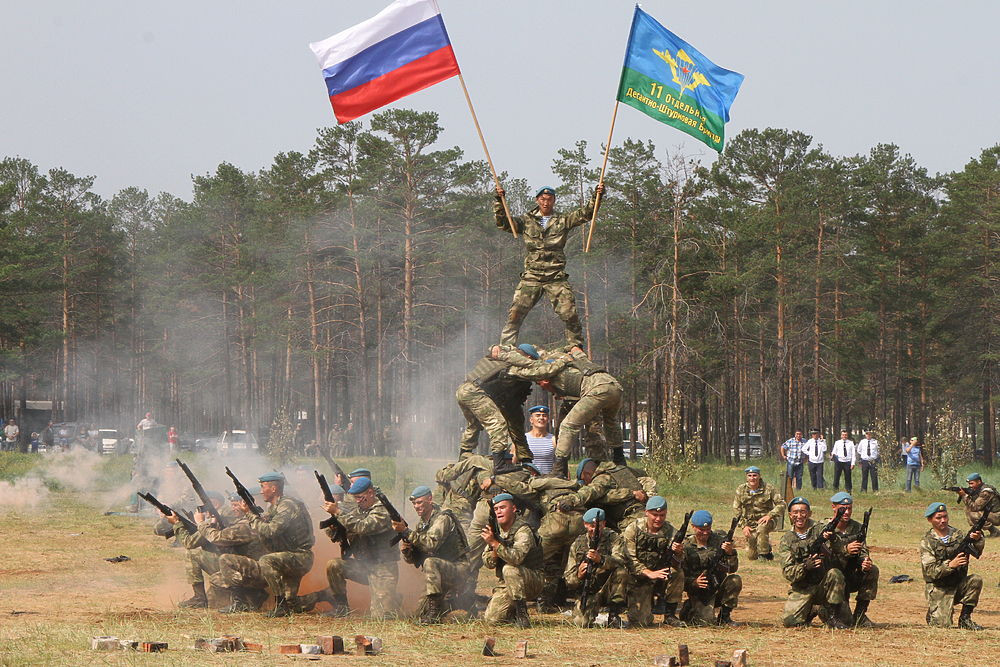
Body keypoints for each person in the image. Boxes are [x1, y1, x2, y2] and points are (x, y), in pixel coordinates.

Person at [493, 183, 604, 347]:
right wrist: (499, 200)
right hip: (532, 276)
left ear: (554, 201)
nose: (546, 203)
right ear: (537, 200)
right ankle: (506, 348)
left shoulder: (563, 220)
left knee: (570, 313)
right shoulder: (526, 220)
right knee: (515, 313)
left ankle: (575, 347)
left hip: (555, 276)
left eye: (549, 199)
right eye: (543, 199)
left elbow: (587, 213)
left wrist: (597, 195)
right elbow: (503, 223)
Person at [455, 343, 570, 471]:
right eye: (532, 360)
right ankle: (499, 464)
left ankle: (464, 455)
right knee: (498, 424)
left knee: (476, 425)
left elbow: (515, 423)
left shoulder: (505, 355)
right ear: (527, 357)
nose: (531, 363)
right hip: (475, 393)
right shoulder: (514, 366)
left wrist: (566, 348)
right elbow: (541, 372)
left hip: (466, 390)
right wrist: (563, 361)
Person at [216, 472, 315, 616]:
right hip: (287, 557)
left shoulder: (287, 505)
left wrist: (250, 515)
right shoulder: (275, 507)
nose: (261, 491)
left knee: (266, 560)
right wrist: (251, 514)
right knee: (293, 604)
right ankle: (324, 595)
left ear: (273, 489)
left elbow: (270, 531)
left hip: (299, 556)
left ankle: (281, 606)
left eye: (263, 487)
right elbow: (264, 524)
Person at [535, 346, 624, 478]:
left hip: (597, 390)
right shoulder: (581, 360)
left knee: (567, 426)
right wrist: (569, 347)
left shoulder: (554, 371)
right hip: (615, 386)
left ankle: (559, 470)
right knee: (611, 421)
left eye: (540, 383)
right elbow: (576, 348)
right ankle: (620, 460)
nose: (543, 387)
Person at [317, 476, 399, 619]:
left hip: (383, 568)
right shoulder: (359, 510)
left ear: (371, 493)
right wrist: (334, 526)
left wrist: (338, 513)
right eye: (355, 498)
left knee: (380, 617)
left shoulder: (382, 510)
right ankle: (341, 607)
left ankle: (394, 599)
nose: (358, 501)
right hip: (365, 566)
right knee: (334, 565)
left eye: (360, 497)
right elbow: (335, 535)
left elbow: (363, 527)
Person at [392, 485, 474, 624]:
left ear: (430, 499)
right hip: (439, 572)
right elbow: (416, 558)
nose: (416, 506)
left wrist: (406, 531)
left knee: (430, 562)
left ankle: (434, 613)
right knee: (418, 614)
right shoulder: (422, 524)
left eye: (419, 502)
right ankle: (456, 604)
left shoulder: (443, 518)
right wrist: (407, 552)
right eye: (414, 503)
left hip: (458, 568)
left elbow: (430, 544)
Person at [778, 496, 848, 628]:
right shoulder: (786, 539)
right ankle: (812, 609)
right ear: (790, 515)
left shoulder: (821, 529)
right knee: (790, 622)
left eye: (803, 512)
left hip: (824, 585)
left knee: (846, 620)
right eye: (795, 512)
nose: (799, 516)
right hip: (803, 588)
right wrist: (805, 567)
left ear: (809, 513)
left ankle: (832, 615)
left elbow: (842, 550)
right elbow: (788, 572)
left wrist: (833, 539)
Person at [481, 493, 545, 628]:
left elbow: (516, 558)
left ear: (514, 509)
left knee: (509, 569)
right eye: (496, 509)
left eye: (503, 507)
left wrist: (495, 543)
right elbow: (488, 563)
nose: (499, 512)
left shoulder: (523, 530)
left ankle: (522, 614)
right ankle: (512, 613)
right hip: (509, 582)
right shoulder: (496, 531)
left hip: (532, 580)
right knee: (491, 619)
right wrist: (494, 547)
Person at [621, 495, 686, 627]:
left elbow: (679, 562)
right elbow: (629, 559)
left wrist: (679, 553)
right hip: (638, 578)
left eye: (662, 515)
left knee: (677, 572)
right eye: (654, 515)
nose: (658, 519)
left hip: (660, 577)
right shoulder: (633, 529)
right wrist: (648, 573)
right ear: (646, 512)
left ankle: (670, 614)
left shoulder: (671, 532)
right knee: (641, 622)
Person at [919, 502, 985, 630]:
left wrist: (977, 540)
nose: (943, 520)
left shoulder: (958, 535)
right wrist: (950, 565)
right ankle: (934, 610)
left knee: (976, 580)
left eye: (945, 516)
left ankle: (965, 618)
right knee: (942, 625)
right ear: (930, 520)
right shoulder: (927, 541)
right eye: (938, 518)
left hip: (958, 584)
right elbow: (930, 571)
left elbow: (976, 551)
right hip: (939, 588)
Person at [563, 507, 628, 628]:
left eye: (598, 526)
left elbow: (620, 561)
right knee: (581, 623)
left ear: (604, 524)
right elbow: (568, 579)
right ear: (585, 524)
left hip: (608, 587)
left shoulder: (614, 539)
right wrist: (579, 575)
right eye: (591, 526)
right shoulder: (577, 544)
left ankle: (614, 614)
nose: (595, 530)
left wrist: (602, 560)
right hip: (590, 590)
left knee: (621, 572)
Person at [681, 510, 741, 627]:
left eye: (708, 529)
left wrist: (730, 553)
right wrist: (693, 582)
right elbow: (680, 576)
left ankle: (724, 617)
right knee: (706, 623)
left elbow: (732, 569)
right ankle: (689, 608)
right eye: (701, 530)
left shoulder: (719, 542)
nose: (705, 533)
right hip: (699, 593)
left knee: (735, 580)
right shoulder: (686, 546)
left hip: (718, 588)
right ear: (693, 527)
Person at [827, 492, 878, 627]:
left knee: (872, 570)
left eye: (849, 508)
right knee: (845, 621)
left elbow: (863, 550)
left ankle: (860, 615)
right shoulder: (825, 527)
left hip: (850, 576)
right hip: (831, 580)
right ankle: (825, 609)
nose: (847, 512)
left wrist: (865, 561)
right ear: (833, 507)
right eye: (843, 509)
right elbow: (826, 555)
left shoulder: (857, 527)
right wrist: (845, 550)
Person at [569, 458, 655, 531]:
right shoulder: (620, 470)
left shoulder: (601, 478)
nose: (586, 484)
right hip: (646, 513)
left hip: (631, 521)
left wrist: (571, 500)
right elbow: (643, 474)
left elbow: (590, 491)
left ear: (587, 474)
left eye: (584, 480)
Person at [732, 466, 782, 561]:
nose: (752, 478)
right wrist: (744, 526)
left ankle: (764, 555)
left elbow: (781, 504)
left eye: (755, 475)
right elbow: (736, 509)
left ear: (759, 476)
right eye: (749, 476)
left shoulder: (769, 488)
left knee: (762, 528)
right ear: (746, 477)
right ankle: (766, 547)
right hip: (750, 523)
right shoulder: (741, 489)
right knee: (751, 556)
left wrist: (770, 515)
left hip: (767, 521)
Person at [525, 405, 555, 474]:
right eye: (537, 415)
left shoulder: (553, 440)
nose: (541, 418)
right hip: (528, 479)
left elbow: (561, 464)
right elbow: (512, 462)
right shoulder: (523, 439)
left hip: (548, 479)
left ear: (547, 420)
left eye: (544, 416)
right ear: (531, 420)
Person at [857, 428, 880, 493]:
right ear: (865, 435)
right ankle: (863, 490)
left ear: (871, 434)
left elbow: (878, 451)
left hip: (873, 461)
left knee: (874, 476)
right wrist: (863, 456)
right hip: (865, 461)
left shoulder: (875, 442)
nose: (868, 435)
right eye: (867, 434)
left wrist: (875, 457)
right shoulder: (862, 442)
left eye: (869, 434)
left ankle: (875, 490)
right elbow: (859, 450)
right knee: (864, 476)